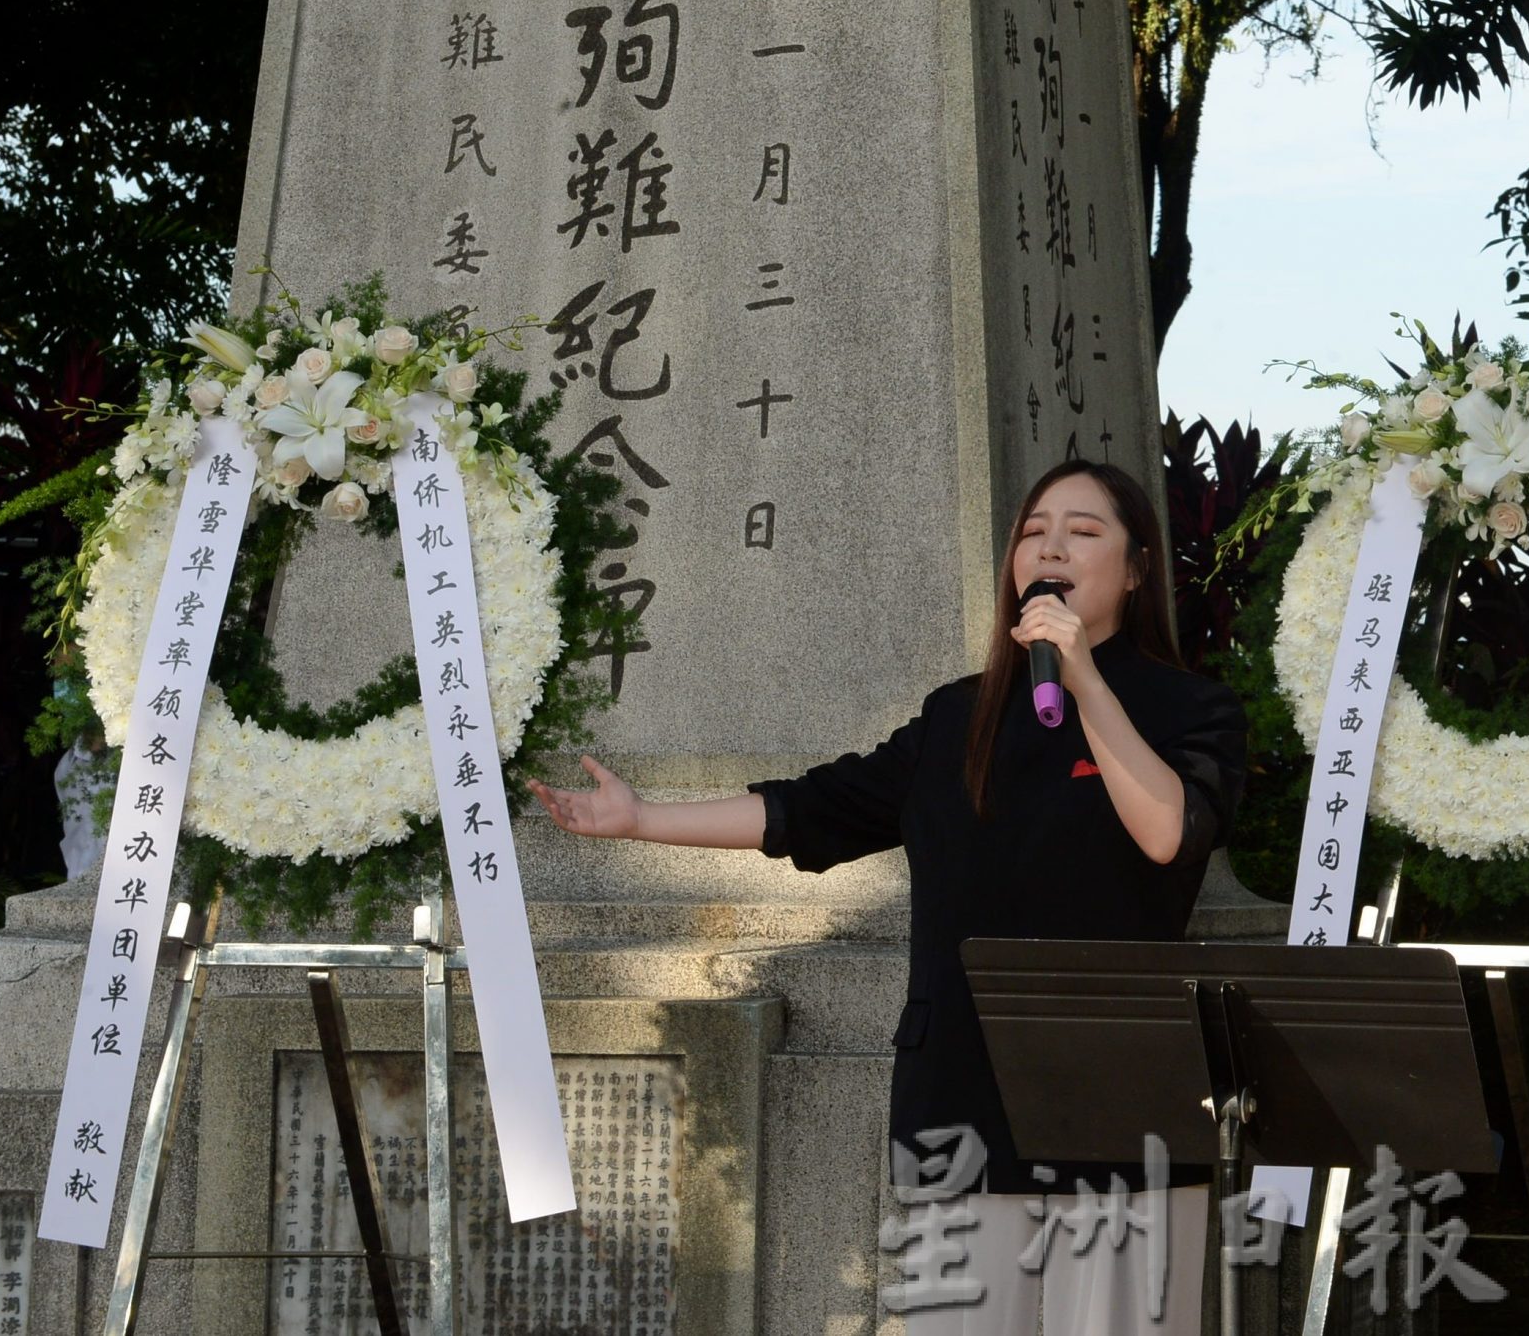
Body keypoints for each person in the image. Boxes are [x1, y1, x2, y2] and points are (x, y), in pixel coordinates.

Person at [527, 460, 1244, 1335]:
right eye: (1033, 531)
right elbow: (812, 809)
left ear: (1136, 570)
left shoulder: (1190, 709)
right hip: (962, 1094)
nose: (1051, 547)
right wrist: (642, 820)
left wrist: (1084, 679)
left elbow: (1169, 833)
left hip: (1124, 1095)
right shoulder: (958, 717)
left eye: (1084, 531)